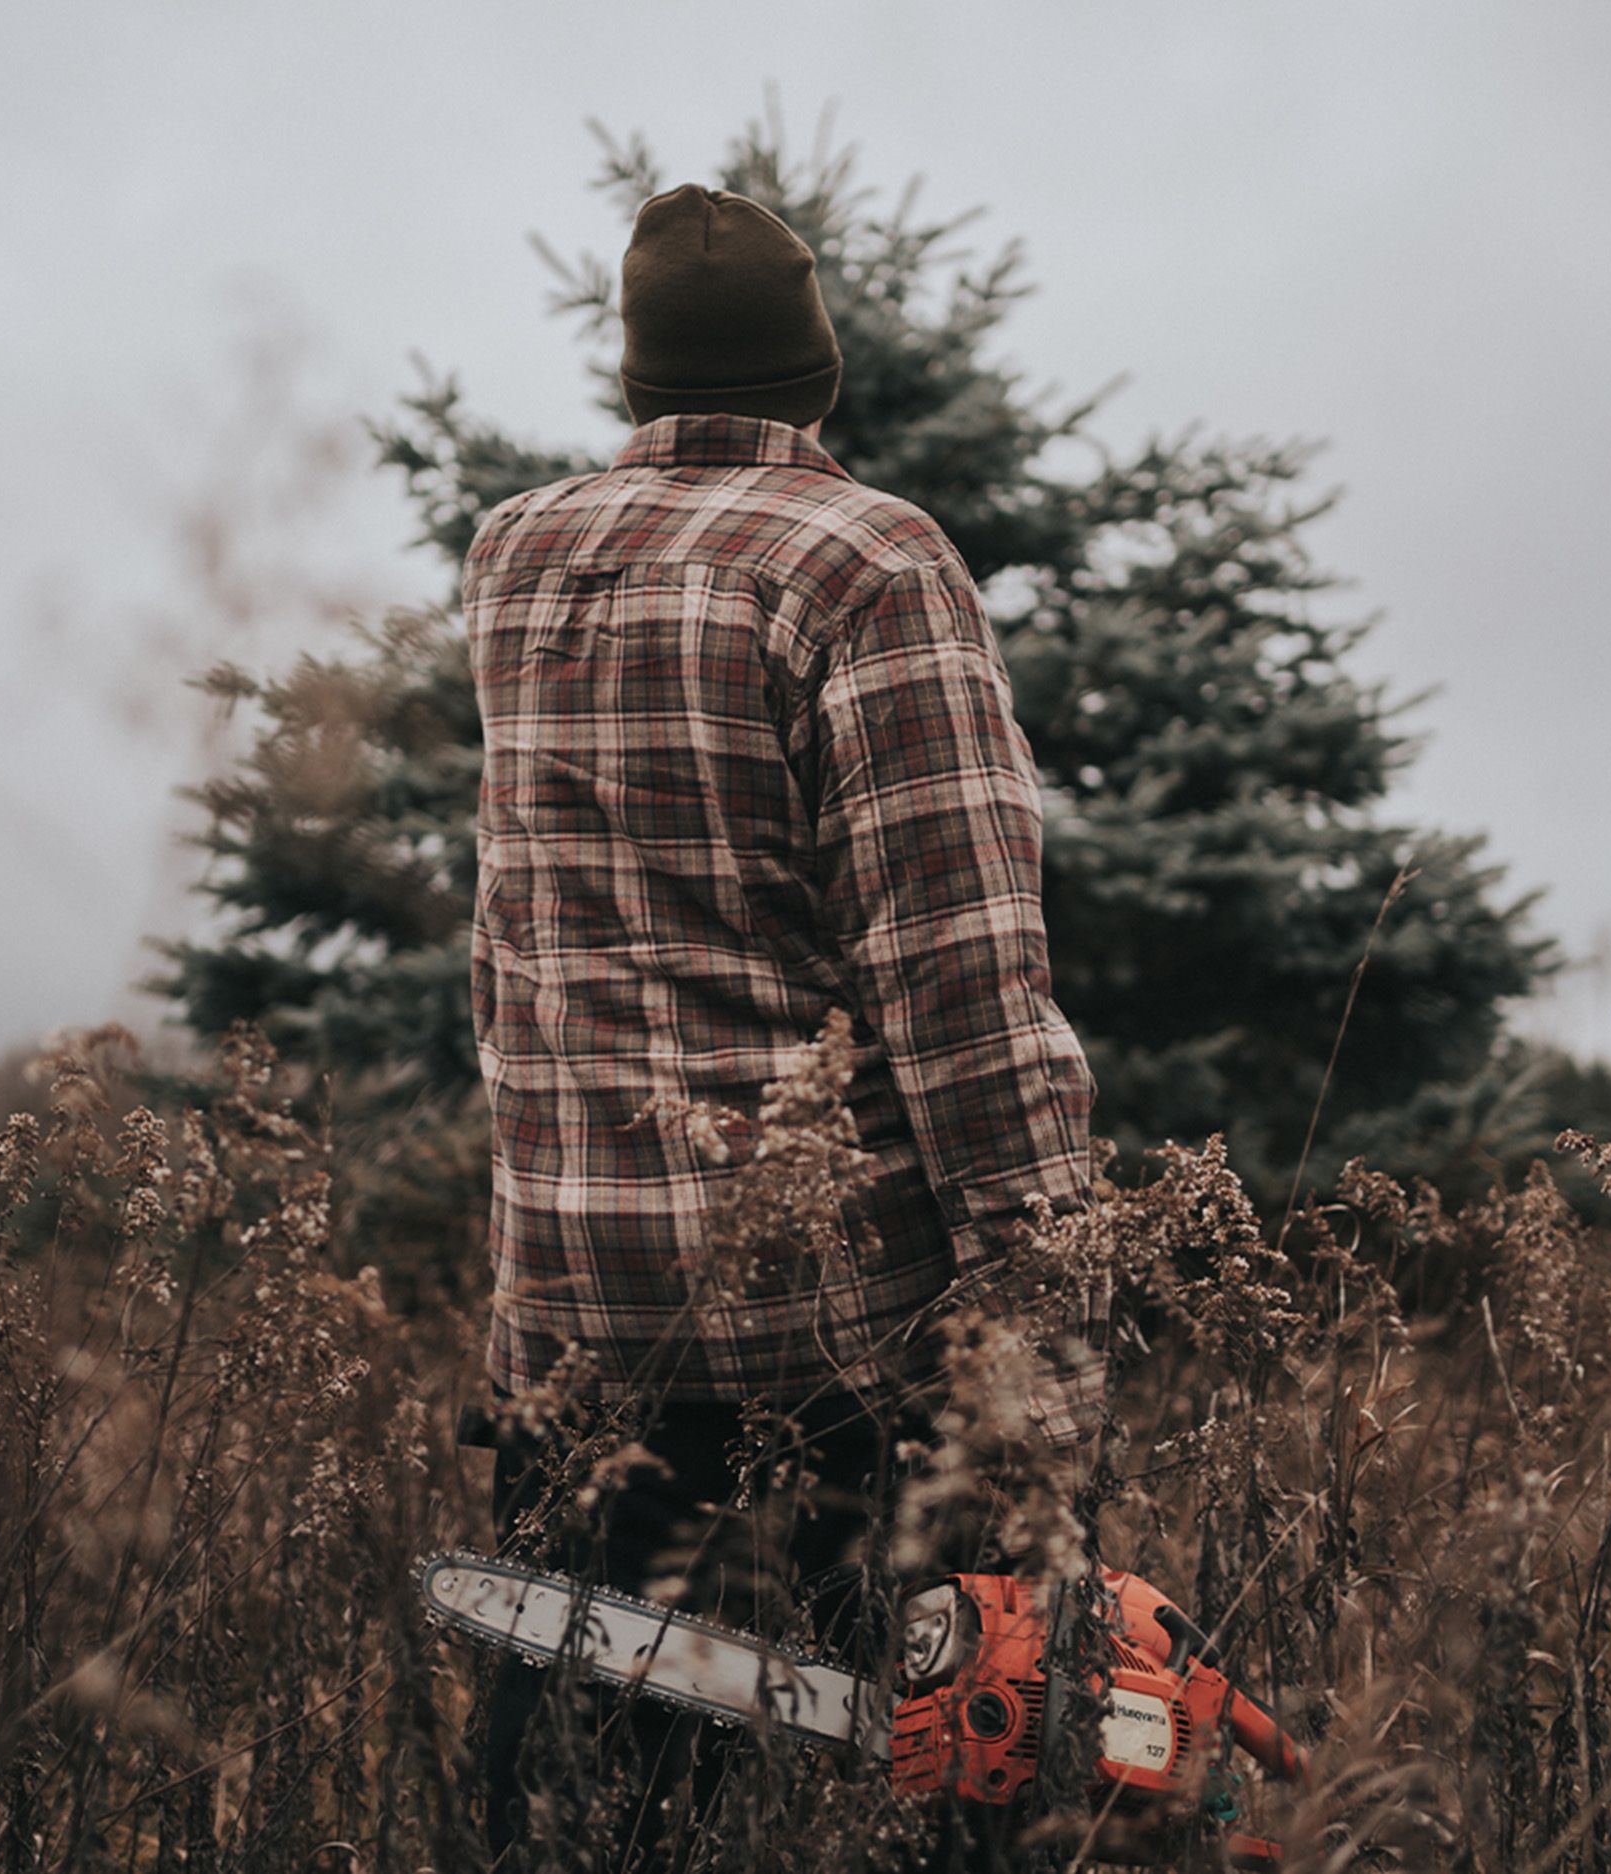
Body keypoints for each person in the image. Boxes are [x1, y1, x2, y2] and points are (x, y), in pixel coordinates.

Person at [458, 182, 1101, 1867]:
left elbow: (509, 944)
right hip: (821, 1355)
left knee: (584, 1818)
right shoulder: (871, 563)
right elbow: (958, 980)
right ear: (816, 369)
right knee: (892, 1800)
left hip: (573, 1330)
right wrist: (1046, 1320)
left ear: (639, 374)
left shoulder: (515, 552)